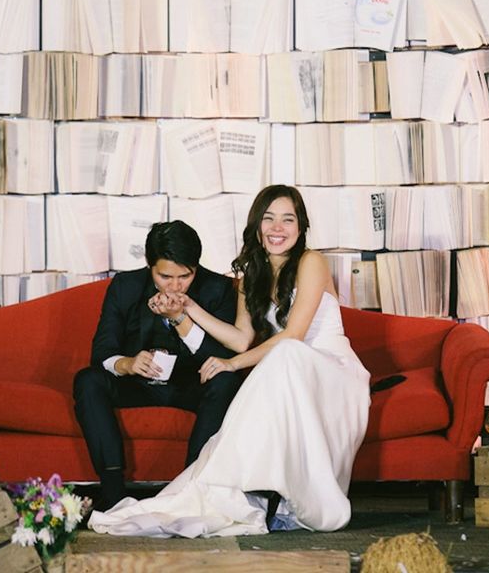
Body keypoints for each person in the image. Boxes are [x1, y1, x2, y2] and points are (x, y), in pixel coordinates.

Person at [88, 185, 371, 536]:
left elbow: (294, 335)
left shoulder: (311, 262)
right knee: (276, 365)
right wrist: (189, 307)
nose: (277, 228)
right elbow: (239, 338)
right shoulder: (251, 274)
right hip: (287, 372)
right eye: (269, 219)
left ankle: (284, 495)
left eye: (287, 220)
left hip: (328, 370)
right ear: (257, 225)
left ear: (301, 228)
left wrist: (233, 364)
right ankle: (245, 490)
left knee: (283, 356)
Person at [73, 220, 242, 511]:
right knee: (88, 381)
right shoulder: (126, 286)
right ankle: (114, 494)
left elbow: (221, 357)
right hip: (137, 384)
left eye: (185, 276)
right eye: (165, 276)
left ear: (196, 268)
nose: (175, 286)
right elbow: (102, 352)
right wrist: (127, 364)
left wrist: (181, 319)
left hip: (190, 384)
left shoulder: (219, 289)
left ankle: (191, 488)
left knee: (226, 381)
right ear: (150, 265)